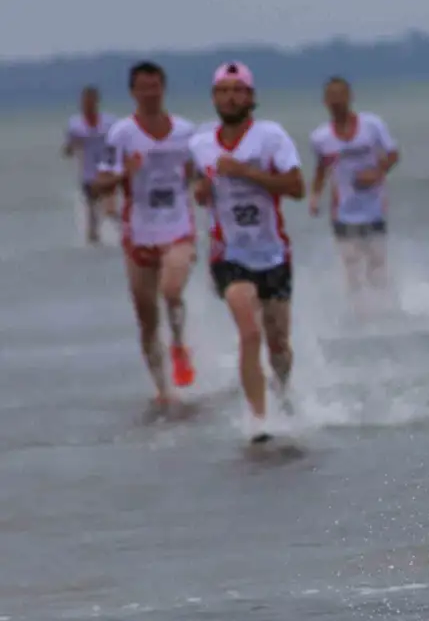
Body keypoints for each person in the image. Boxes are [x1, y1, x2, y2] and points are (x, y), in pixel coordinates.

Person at [188, 62, 305, 442]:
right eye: (223, 90)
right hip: (229, 255)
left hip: (273, 254)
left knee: (279, 345)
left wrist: (246, 172)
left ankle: (283, 394)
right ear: (213, 98)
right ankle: (258, 421)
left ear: (251, 97)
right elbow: (197, 186)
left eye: (238, 90)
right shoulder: (199, 143)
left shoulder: (271, 137)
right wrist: (202, 191)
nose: (230, 97)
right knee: (248, 331)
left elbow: (296, 187)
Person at [91, 62, 198, 405]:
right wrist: (125, 173)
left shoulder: (186, 131)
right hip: (138, 234)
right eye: (143, 88)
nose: (150, 93)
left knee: (171, 290)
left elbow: (201, 173)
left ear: (163, 88)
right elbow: (98, 183)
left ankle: (179, 344)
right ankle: (162, 389)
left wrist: (207, 186)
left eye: (155, 87)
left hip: (179, 227)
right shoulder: (121, 134)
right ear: (133, 92)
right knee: (146, 317)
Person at [308, 77, 400, 296]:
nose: (336, 101)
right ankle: (358, 311)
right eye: (331, 96)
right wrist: (315, 196)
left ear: (350, 97)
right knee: (351, 265)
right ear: (325, 101)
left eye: (340, 95)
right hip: (343, 212)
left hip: (374, 208)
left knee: (377, 263)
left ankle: (384, 305)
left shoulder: (372, 125)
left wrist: (377, 172)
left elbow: (393, 154)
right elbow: (322, 168)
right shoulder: (320, 137)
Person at [63, 85, 118, 244]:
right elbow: (68, 149)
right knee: (92, 221)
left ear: (97, 102)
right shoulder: (75, 125)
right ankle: (94, 250)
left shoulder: (109, 122)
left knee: (110, 210)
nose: (87, 105)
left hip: (107, 172)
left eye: (90, 101)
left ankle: (130, 235)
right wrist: (71, 146)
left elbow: (121, 142)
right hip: (88, 175)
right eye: (84, 102)